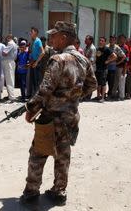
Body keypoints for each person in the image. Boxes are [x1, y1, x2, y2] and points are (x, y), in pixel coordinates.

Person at [21, 21, 97, 206]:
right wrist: (72, 97)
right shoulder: (83, 59)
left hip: (51, 117)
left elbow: (45, 89)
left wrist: (31, 109)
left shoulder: (58, 60)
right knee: (63, 154)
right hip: (70, 118)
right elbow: (92, 85)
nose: (51, 39)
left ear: (64, 37)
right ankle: (59, 191)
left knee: (38, 153)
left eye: (54, 36)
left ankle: (31, 192)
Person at [94, 37, 116, 102]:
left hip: (104, 68)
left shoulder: (107, 49)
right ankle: (98, 96)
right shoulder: (97, 49)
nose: (100, 42)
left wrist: (108, 61)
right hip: (98, 68)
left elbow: (115, 56)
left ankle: (103, 97)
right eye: (100, 40)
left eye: (102, 41)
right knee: (98, 83)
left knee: (103, 83)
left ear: (104, 42)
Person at [27, 27, 45, 97]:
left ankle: (37, 97)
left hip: (37, 63)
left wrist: (36, 62)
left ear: (36, 33)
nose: (30, 33)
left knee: (37, 81)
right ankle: (33, 96)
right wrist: (30, 62)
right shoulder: (32, 41)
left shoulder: (38, 41)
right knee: (33, 81)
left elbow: (43, 52)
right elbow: (31, 52)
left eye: (32, 32)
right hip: (33, 62)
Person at [1, 34, 18, 102]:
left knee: (9, 79)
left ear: (9, 38)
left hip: (8, 62)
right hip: (10, 62)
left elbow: (4, 53)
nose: (5, 39)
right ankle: (10, 96)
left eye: (6, 38)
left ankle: (11, 97)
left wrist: (3, 50)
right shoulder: (14, 44)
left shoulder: (10, 43)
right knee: (10, 79)